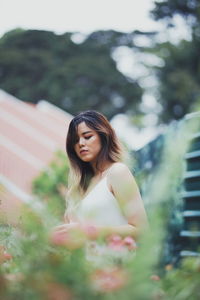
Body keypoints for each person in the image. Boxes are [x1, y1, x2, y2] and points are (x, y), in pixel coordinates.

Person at [52, 110, 148, 251]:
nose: (80, 143)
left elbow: (141, 230)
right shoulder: (76, 189)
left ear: (103, 136)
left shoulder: (117, 172)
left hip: (114, 267)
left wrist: (88, 231)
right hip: (83, 270)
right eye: (75, 141)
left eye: (87, 136)